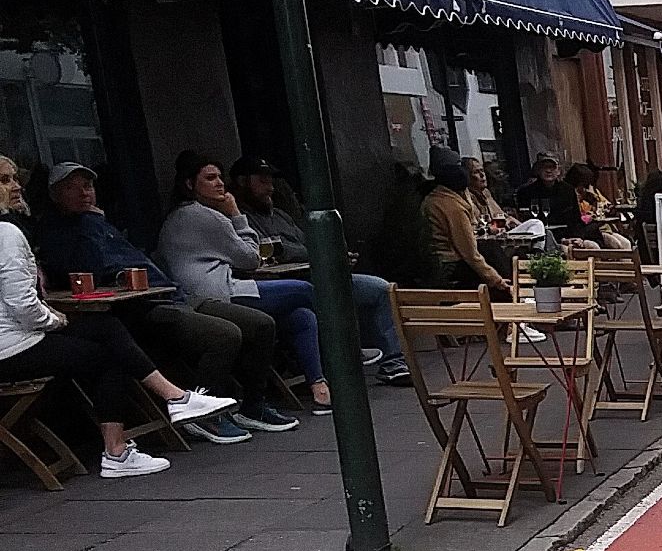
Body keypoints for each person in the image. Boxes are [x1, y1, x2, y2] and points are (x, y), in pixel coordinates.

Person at [0, 156, 234, 477]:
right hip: (12, 348)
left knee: (106, 329)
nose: (16, 187)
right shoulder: (7, 234)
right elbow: (22, 305)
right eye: (4, 181)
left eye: (14, 179)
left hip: (13, 343)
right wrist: (55, 319)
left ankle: (171, 403)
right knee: (110, 352)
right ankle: (121, 447)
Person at [35, 162, 279, 446]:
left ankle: (251, 404)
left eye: (87, 186)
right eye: (72, 188)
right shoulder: (58, 231)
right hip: (141, 309)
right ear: (55, 195)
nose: (84, 193)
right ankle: (202, 414)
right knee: (224, 335)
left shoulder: (97, 222)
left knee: (261, 324)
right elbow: (84, 268)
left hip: (173, 293)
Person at [159, 151, 330, 416]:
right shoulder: (201, 215)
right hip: (216, 293)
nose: (219, 184)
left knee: (301, 316)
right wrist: (237, 213)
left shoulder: (188, 215)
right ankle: (342, 358)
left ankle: (319, 385)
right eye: (210, 178)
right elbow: (251, 258)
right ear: (190, 184)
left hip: (219, 287)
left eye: (220, 177)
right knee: (303, 290)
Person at [230, 155, 411, 387]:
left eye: (271, 182)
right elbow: (270, 252)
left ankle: (394, 363)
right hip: (281, 285)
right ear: (242, 182)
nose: (271, 188)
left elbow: (306, 246)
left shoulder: (281, 215)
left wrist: (334, 258)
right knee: (322, 297)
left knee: (380, 288)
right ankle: (347, 352)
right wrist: (301, 252)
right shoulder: (238, 219)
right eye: (263, 181)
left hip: (316, 276)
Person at [425, 152, 510, 293]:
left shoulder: (438, 198)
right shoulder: (452, 205)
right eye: (475, 172)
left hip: (437, 264)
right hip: (448, 266)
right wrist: (497, 280)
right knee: (490, 251)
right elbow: (469, 251)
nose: (482, 176)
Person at [515, 153, 588, 242]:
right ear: (538, 170)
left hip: (568, 234)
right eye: (544, 167)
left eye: (552, 167)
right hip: (540, 238)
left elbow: (576, 219)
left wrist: (578, 237)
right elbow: (525, 221)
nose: (548, 171)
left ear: (558, 171)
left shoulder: (568, 190)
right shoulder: (525, 192)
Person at [566, 163, 629, 249]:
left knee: (625, 243)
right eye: (584, 186)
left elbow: (605, 205)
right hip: (585, 233)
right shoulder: (570, 197)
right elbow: (578, 219)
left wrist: (602, 205)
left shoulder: (592, 194)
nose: (587, 189)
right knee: (614, 244)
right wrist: (590, 217)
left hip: (600, 230)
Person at [460, 156, 513, 233]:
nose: (482, 175)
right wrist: (503, 222)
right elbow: (481, 226)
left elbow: (500, 216)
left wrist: (509, 220)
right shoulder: (466, 196)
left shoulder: (485, 192)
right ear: (467, 176)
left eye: (482, 170)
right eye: (476, 172)